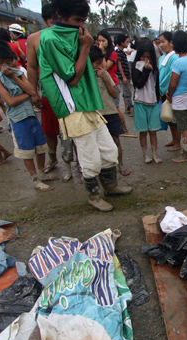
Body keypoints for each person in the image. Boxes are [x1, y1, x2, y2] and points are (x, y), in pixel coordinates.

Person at [39, 0, 132, 211]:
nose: (80, 25)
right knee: (90, 157)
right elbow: (72, 78)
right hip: (72, 107)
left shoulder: (77, 33)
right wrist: (86, 46)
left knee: (109, 150)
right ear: (59, 14)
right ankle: (94, 196)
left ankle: (111, 186)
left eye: (83, 20)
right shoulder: (50, 39)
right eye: (77, 20)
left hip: (88, 103)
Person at [0, 40, 55, 191]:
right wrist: (28, 94)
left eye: (8, 61)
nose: (5, 65)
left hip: (30, 115)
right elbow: (10, 101)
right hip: (17, 118)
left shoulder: (17, 72)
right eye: (0, 62)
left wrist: (15, 77)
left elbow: (32, 91)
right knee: (26, 150)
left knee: (40, 146)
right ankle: (35, 180)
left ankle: (41, 173)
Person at [26, 2, 68, 177]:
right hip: (48, 94)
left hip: (69, 93)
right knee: (49, 130)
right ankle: (52, 158)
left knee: (71, 130)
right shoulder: (34, 39)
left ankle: (75, 163)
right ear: (45, 21)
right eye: (52, 22)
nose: (55, 26)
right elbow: (31, 66)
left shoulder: (68, 35)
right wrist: (33, 92)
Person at [90, 46, 130, 176]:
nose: (100, 66)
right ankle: (99, 169)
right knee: (96, 144)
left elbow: (114, 94)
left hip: (110, 112)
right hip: (95, 114)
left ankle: (120, 165)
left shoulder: (104, 73)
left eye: (101, 63)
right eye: (97, 64)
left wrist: (106, 80)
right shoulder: (85, 77)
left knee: (116, 140)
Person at [166, 30, 187, 163]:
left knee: (184, 128)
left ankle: (185, 154)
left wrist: (169, 94)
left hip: (180, 100)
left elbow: (173, 84)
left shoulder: (178, 62)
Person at [132, 40, 162, 164]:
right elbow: (138, 84)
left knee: (153, 131)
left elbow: (156, 84)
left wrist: (159, 97)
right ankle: (146, 155)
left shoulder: (155, 67)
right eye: (143, 57)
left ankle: (154, 154)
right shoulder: (136, 66)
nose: (145, 59)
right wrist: (146, 70)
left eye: (148, 57)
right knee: (143, 132)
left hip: (153, 102)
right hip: (140, 102)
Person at [97, 30, 128, 132]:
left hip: (112, 83)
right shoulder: (97, 53)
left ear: (108, 41)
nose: (101, 43)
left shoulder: (113, 53)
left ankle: (122, 127)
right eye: (99, 41)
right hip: (101, 84)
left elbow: (105, 67)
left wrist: (101, 53)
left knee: (115, 107)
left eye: (103, 41)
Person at [158, 31, 182, 152]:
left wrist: (165, 90)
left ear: (171, 42)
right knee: (170, 118)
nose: (161, 45)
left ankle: (178, 143)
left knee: (175, 120)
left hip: (170, 92)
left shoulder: (174, 57)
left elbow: (170, 77)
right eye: (160, 42)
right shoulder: (162, 57)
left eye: (163, 42)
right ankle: (174, 140)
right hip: (163, 91)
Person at [115, 33, 134, 116]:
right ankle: (131, 109)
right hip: (123, 75)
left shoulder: (122, 52)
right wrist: (123, 76)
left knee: (125, 92)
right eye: (127, 42)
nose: (128, 44)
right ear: (122, 43)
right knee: (127, 92)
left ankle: (127, 108)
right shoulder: (119, 52)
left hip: (125, 74)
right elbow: (119, 64)